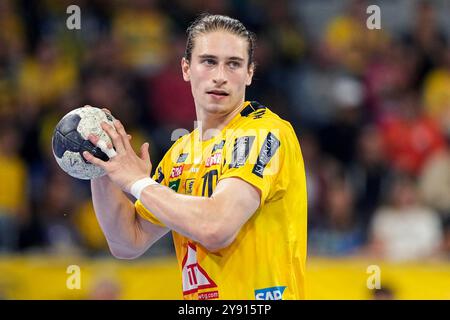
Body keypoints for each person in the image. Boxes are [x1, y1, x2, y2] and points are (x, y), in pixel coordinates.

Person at [83, 14, 307, 300]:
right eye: (209, 61)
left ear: (250, 73)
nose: (220, 76)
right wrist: (102, 164)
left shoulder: (264, 133)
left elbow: (216, 227)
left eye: (234, 64)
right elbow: (127, 242)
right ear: (186, 68)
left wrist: (138, 182)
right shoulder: (180, 154)